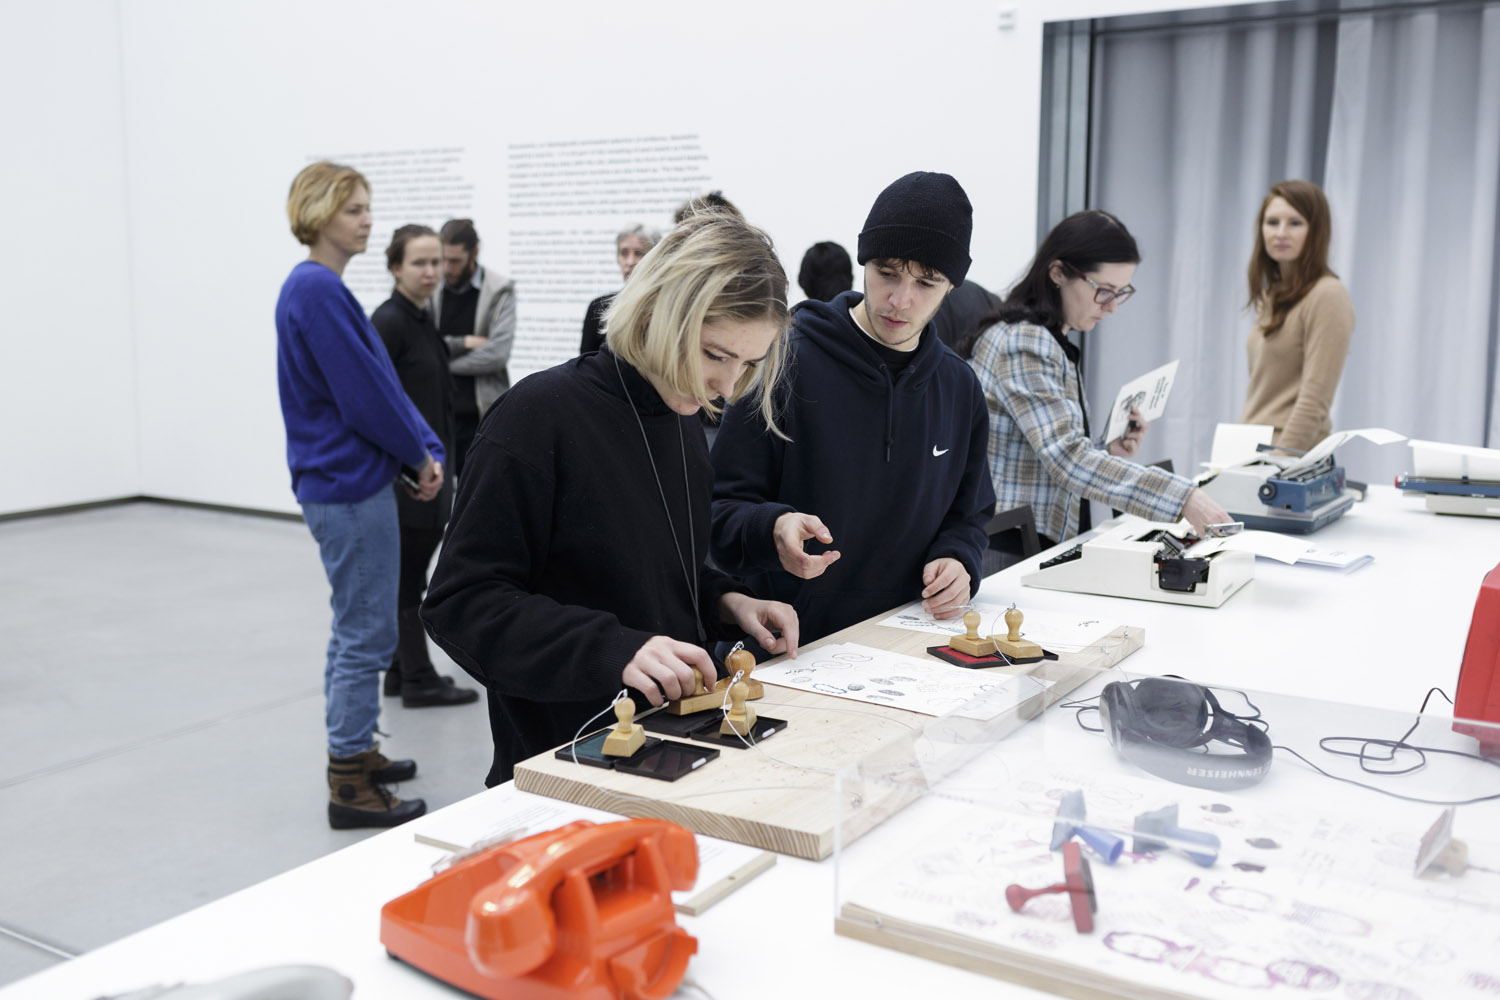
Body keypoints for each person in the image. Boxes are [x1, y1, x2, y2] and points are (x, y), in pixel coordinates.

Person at [422, 212, 801, 786]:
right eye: (715, 355)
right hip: (560, 771)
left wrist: (727, 601)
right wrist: (613, 649)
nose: (727, 387)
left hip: (671, 754)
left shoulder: (683, 424)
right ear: (658, 312)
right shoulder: (537, 417)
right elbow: (462, 602)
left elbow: (647, 568)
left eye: (749, 365)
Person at [711, 171, 996, 650]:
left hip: (912, 646)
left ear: (952, 286)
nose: (900, 300)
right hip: (791, 652)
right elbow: (716, 510)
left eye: (927, 282)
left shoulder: (958, 386)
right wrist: (772, 528)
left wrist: (960, 560)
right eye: (887, 272)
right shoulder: (781, 361)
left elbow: (969, 515)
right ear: (863, 262)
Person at [275, 162, 444, 829]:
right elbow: (366, 395)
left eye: (368, 208)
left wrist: (420, 446)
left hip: (348, 482)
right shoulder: (317, 290)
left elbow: (377, 383)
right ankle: (348, 780)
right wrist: (417, 453)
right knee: (365, 634)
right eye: (354, 210)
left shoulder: (321, 289)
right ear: (318, 215)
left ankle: (359, 752)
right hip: (348, 487)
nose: (367, 219)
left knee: (357, 629)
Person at [961, 210, 1230, 550]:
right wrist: (1182, 498)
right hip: (1008, 551)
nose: (1112, 307)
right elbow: (1068, 460)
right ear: (1058, 273)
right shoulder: (1025, 343)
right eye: (1104, 291)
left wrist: (1106, 449)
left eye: (1121, 292)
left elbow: (1043, 452)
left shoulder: (1049, 339)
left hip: (1031, 542)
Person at [369, 225, 479, 709]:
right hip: (409, 482)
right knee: (410, 581)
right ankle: (417, 678)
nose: (431, 271)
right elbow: (377, 404)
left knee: (409, 577)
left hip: (430, 476)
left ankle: (398, 671)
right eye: (419, 263)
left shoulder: (418, 318)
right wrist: (410, 469)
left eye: (437, 262)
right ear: (396, 267)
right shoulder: (390, 321)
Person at [1240, 180, 1355, 453]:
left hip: (1287, 458)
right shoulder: (1270, 297)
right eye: (1272, 222)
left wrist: (1278, 464)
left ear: (1316, 231)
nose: (1281, 233)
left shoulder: (1327, 295)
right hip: (1249, 447)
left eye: (1295, 223)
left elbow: (1314, 402)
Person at [430, 219, 516, 478]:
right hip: (437, 413)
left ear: (474, 253)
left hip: (481, 414)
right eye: (443, 259)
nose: (447, 268)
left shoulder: (499, 289)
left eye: (455, 261)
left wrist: (440, 363)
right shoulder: (430, 285)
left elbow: (497, 354)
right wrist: (463, 342)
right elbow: (420, 344)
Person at [579, 223, 662, 355]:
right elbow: (585, 365)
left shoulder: (666, 307)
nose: (630, 262)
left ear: (655, 258)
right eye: (624, 253)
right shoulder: (598, 307)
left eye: (639, 253)